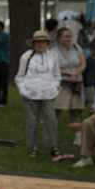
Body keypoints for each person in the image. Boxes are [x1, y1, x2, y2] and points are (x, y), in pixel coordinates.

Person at [14, 31, 62, 159]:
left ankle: (53, 146)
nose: (41, 45)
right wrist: (23, 88)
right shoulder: (27, 56)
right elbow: (20, 75)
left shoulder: (53, 56)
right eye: (38, 42)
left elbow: (57, 74)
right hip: (30, 92)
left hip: (48, 92)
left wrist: (55, 86)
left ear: (47, 43)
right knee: (32, 121)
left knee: (51, 120)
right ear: (34, 44)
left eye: (43, 42)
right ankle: (33, 147)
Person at [52, 27, 86, 146]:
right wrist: (68, 73)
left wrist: (76, 72)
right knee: (56, 110)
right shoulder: (54, 51)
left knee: (75, 112)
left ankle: (78, 136)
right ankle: (52, 136)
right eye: (65, 37)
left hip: (76, 84)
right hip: (62, 84)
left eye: (69, 36)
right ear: (59, 38)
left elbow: (83, 63)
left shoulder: (76, 48)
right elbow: (53, 68)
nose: (68, 39)